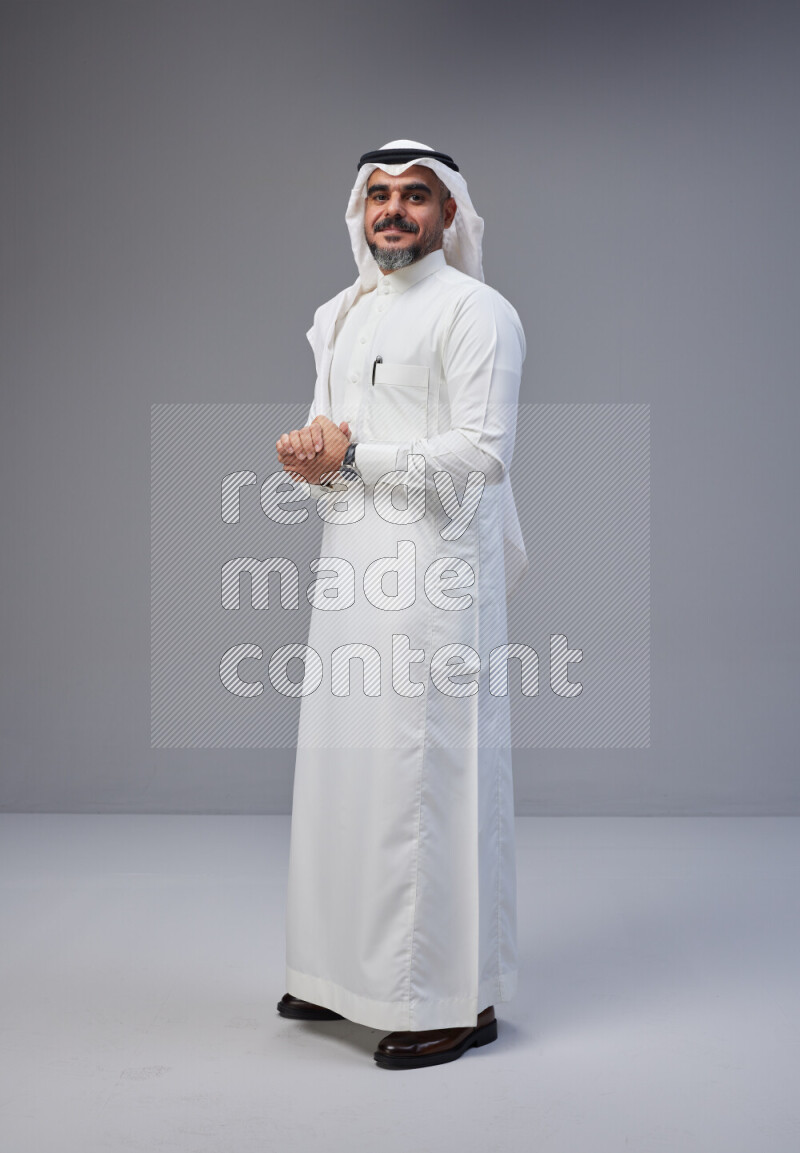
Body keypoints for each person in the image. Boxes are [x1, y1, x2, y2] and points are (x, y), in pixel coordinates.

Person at [274, 139, 528, 1069]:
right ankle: (345, 974)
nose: (394, 211)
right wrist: (312, 458)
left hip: (436, 582)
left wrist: (348, 460)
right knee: (347, 777)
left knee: (429, 783)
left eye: (415, 197)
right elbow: (331, 443)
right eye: (378, 196)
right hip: (351, 574)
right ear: (359, 211)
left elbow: (479, 458)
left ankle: (452, 998)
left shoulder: (478, 313)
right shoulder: (339, 315)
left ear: (449, 214)